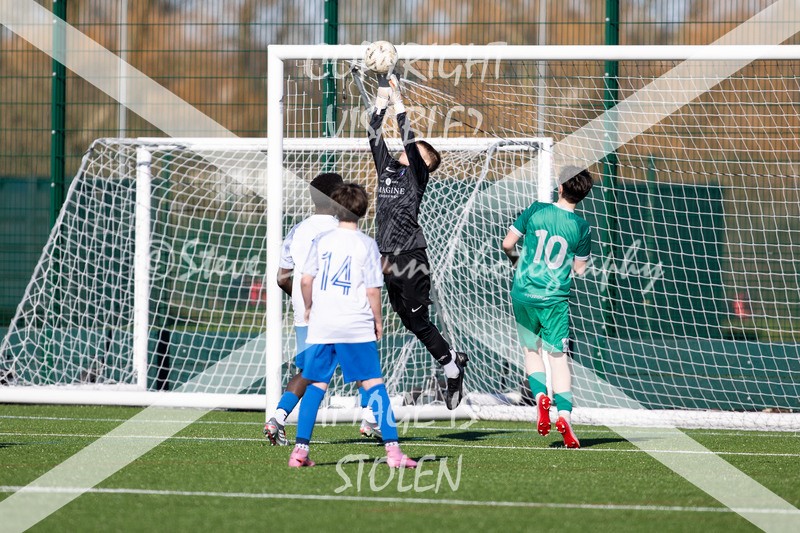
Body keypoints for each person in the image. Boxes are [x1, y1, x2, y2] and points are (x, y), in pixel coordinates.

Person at [289, 183, 416, 468]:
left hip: (324, 323)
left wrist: (309, 307)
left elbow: (306, 280)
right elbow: (373, 289)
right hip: (355, 323)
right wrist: (378, 320)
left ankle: (300, 452)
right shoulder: (366, 244)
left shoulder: (321, 240)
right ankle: (394, 452)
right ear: (363, 210)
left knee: (316, 384)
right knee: (374, 384)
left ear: (334, 210)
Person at [367, 72, 467, 410]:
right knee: (409, 321)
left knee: (418, 320)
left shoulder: (416, 175)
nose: (405, 152)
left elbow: (408, 139)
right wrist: (380, 104)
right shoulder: (388, 170)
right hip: (383, 255)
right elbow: (373, 135)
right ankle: (453, 359)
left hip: (410, 256)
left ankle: (452, 367)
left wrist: (398, 101)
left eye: (415, 152)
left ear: (424, 164)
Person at [501, 166, 594, 449]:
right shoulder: (581, 227)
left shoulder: (535, 210)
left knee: (532, 351)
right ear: (584, 194)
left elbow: (507, 244)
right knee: (558, 358)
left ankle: (541, 396)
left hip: (523, 294)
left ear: (560, 186)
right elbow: (579, 270)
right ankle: (564, 415)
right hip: (553, 299)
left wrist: (518, 263)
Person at [264, 172, 344, 445]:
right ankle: (377, 425)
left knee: (309, 370)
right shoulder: (343, 229)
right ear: (338, 198)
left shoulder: (297, 229)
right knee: (358, 368)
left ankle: (278, 417)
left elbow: (281, 278)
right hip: (333, 308)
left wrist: (301, 300)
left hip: (303, 309)